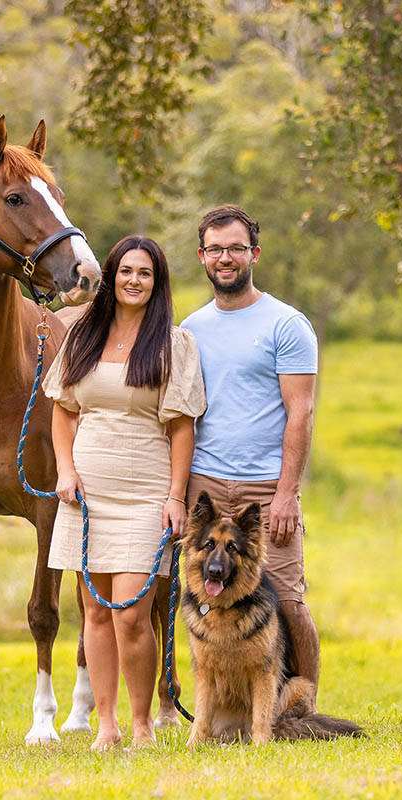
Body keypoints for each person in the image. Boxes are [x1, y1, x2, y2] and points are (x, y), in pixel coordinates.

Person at [43, 235, 206, 750]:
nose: (134, 280)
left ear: (156, 284)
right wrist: (65, 470)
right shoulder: (84, 334)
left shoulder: (172, 343)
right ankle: (106, 726)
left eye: (145, 273)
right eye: (126, 271)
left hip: (144, 491)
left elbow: (182, 427)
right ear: (111, 276)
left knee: (132, 612)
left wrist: (176, 497)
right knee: (93, 612)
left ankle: (143, 725)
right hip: (87, 492)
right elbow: (64, 410)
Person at [179, 204, 321, 705]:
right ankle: (208, 710)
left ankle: (302, 708)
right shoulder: (190, 329)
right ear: (201, 256)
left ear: (254, 253)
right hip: (206, 486)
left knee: (287, 599)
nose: (225, 257)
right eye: (215, 249)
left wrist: (286, 494)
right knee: (198, 598)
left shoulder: (287, 324)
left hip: (266, 491)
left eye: (236, 248)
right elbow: (182, 415)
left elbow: (299, 414)